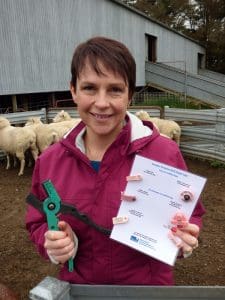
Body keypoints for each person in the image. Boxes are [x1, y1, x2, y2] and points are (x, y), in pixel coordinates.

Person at [25, 36, 205, 285]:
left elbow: (191, 213)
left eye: (115, 90)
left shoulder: (165, 153)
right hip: (80, 290)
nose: (102, 102)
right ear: (73, 90)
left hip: (147, 291)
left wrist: (184, 237)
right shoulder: (50, 161)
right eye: (89, 88)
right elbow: (37, 220)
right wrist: (52, 240)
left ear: (129, 95)